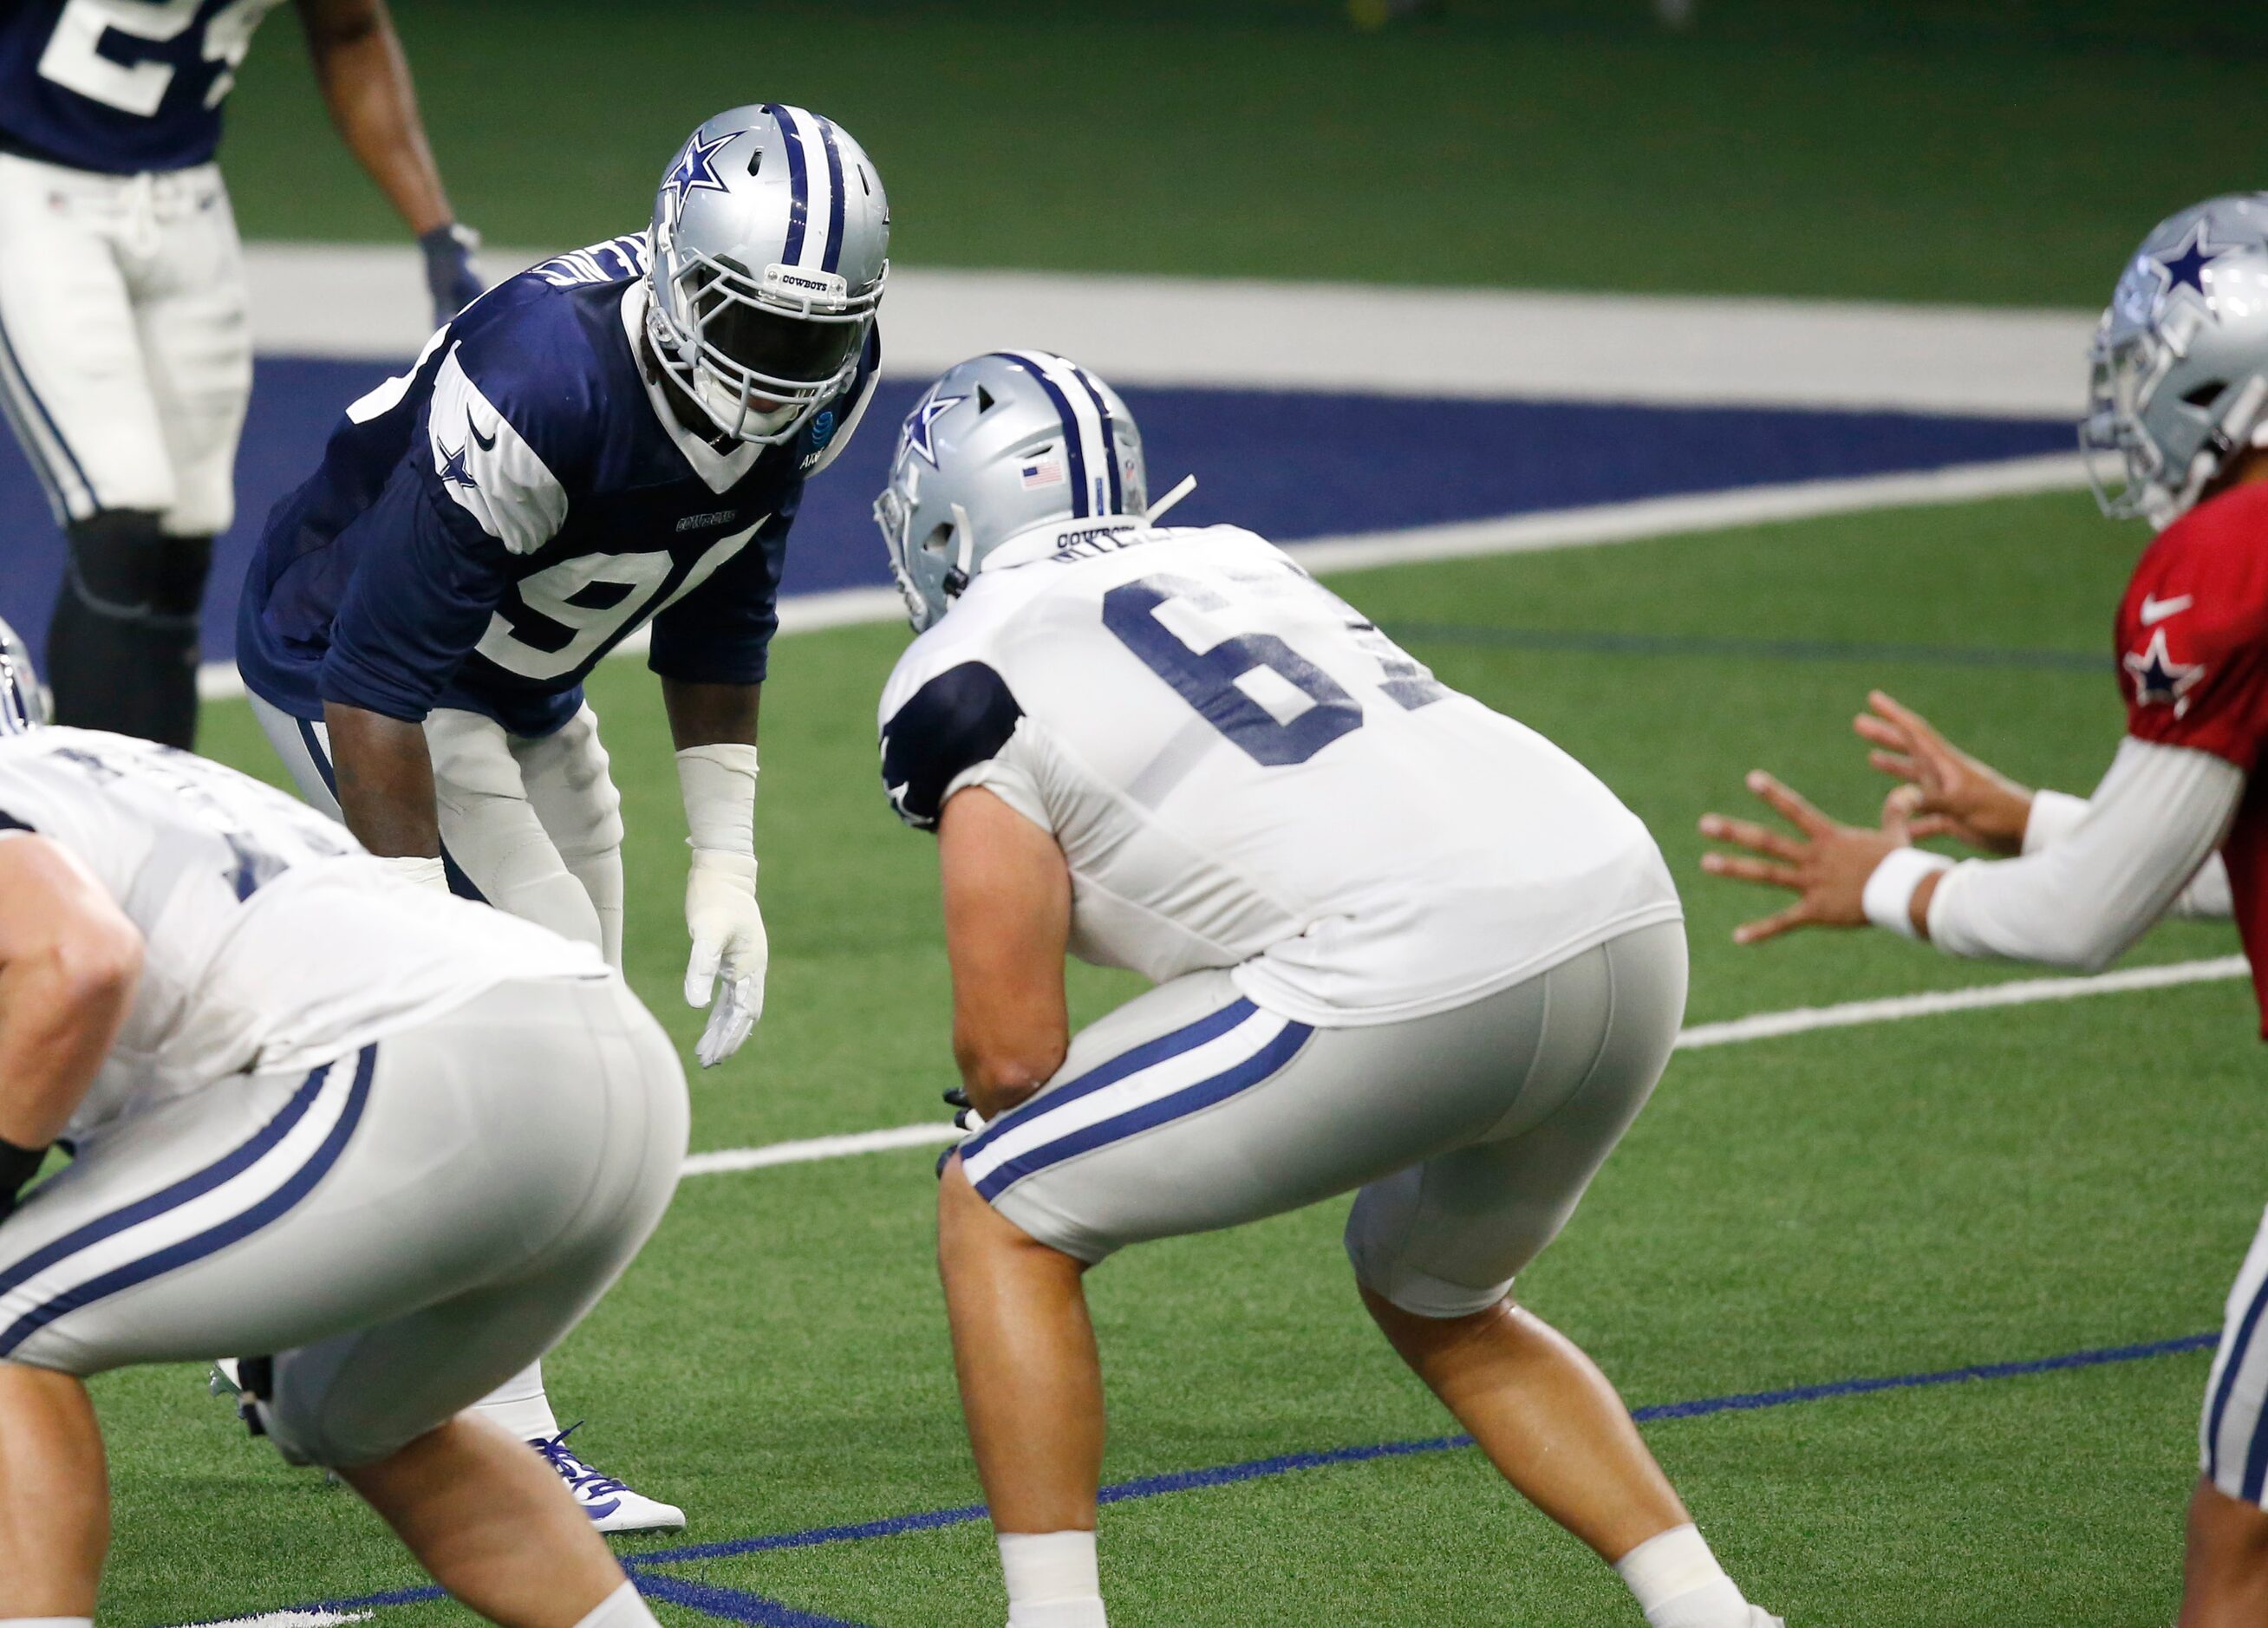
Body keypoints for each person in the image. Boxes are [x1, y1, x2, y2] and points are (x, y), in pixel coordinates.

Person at [870, 350, 1784, 1628]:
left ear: (949, 519)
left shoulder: (966, 663)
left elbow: (1013, 1053)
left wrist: (993, 1112)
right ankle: (1711, 1611)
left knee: (997, 1200)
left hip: (1407, 959)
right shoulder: (1240, 554)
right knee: (1439, 1292)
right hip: (1622, 907)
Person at [231, 101, 889, 1525]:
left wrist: (728, 851)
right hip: (355, 661)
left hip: (523, 683)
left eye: (813, 336)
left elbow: (726, 593)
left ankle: (275, 1307)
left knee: (584, 1018)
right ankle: (496, 1428)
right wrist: (413, 932)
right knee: (537, 1021)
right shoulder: (542, 380)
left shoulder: (827, 382)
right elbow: (380, 676)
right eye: (755, 325)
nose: (782, 371)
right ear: (673, 269)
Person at [1696, 193, 2268, 1628]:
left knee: (2241, 1535)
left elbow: (2083, 918)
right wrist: (2034, 820)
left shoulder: (2229, 558)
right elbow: (2195, 860)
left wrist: (1883, 881)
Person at [0, 617, 688, 1626]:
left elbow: (78, 963)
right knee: (351, 1418)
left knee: (9, 1315)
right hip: (588, 1056)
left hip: (418, 1075)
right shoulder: (101, 774)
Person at [0, 0, 482, 751]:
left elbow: (349, 29)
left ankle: (163, 817)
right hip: (34, 189)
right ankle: (82, 832)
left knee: (184, 537)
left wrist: (435, 229)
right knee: (119, 514)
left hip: (186, 202)